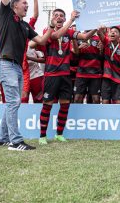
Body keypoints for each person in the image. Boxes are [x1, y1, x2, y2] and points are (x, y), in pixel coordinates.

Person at [0, 0, 53, 151]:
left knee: (13, 103)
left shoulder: (25, 25)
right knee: (14, 101)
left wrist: (53, 28)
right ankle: (15, 142)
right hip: (5, 64)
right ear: (14, 5)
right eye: (24, 3)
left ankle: (1, 138)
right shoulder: (6, 15)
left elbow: (42, 40)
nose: (27, 6)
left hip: (16, 67)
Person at [31, 9, 97, 145]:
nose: (59, 18)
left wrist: (95, 27)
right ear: (52, 19)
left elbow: (84, 38)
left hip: (65, 75)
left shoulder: (69, 32)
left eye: (62, 16)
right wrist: (71, 20)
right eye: (56, 16)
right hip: (51, 75)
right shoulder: (47, 31)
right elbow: (55, 37)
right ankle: (42, 136)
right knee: (47, 105)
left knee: (65, 105)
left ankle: (59, 134)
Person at [98, 26, 120, 104]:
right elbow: (99, 33)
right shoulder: (106, 42)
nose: (112, 32)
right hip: (107, 77)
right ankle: (105, 116)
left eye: (115, 32)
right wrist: (100, 28)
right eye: (111, 31)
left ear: (119, 35)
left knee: (118, 102)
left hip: (119, 77)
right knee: (105, 101)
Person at [72, 31, 103, 104]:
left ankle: (94, 116)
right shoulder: (78, 37)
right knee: (77, 99)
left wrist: (101, 50)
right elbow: (74, 53)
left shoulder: (99, 38)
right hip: (81, 73)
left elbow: (102, 57)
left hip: (95, 73)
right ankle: (77, 116)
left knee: (96, 99)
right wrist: (79, 47)